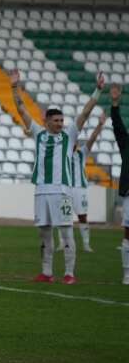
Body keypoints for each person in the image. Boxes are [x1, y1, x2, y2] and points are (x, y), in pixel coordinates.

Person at [10, 69, 101, 284]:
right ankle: (47, 272)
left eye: (62, 120)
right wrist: (14, 88)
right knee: (44, 234)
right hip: (41, 190)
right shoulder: (38, 134)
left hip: (61, 191)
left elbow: (85, 114)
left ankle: (69, 273)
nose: (60, 124)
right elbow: (21, 109)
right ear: (47, 121)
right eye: (57, 120)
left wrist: (97, 90)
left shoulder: (69, 135)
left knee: (67, 232)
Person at [70, 113, 108, 253]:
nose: (74, 143)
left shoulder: (82, 153)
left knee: (82, 216)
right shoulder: (61, 154)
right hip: (66, 188)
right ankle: (63, 243)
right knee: (63, 217)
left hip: (80, 188)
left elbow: (92, 139)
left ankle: (86, 244)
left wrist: (99, 125)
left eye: (75, 141)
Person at [108, 83, 129, 284]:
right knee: (128, 233)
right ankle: (127, 274)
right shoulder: (126, 143)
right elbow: (116, 124)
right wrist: (115, 103)